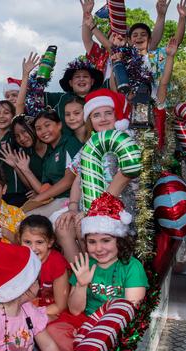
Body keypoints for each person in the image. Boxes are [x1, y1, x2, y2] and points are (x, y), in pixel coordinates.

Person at [47, 192, 148, 351]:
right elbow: (74, 310)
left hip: (113, 326)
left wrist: (92, 333)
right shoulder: (86, 263)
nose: (99, 249)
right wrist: (81, 284)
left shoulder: (132, 267)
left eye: (106, 240)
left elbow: (130, 313)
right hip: (83, 321)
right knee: (52, 330)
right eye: (92, 242)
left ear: (119, 240)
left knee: (101, 346)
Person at [54, 88, 135, 262]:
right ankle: (82, 276)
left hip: (117, 208)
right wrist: (73, 207)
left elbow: (126, 175)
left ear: (117, 116)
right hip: (89, 207)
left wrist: (94, 211)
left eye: (108, 113)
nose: (103, 118)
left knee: (85, 229)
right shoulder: (88, 146)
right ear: (90, 120)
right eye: (96, 115)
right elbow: (77, 178)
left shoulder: (125, 140)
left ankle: (98, 273)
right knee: (64, 226)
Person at [15, 110, 84, 218]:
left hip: (73, 200)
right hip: (55, 201)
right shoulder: (49, 156)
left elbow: (69, 179)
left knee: (24, 219)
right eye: (38, 129)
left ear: (59, 125)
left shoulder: (70, 143)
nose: (43, 131)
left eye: (47, 125)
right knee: (20, 217)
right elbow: (44, 189)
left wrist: (37, 200)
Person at [18, 215, 70, 318]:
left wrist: (30, 314)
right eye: (27, 242)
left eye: (39, 242)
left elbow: (61, 306)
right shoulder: (19, 258)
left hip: (52, 312)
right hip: (26, 308)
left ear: (50, 242)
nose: (33, 248)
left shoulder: (56, 263)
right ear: (19, 240)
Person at [0, 100, 28, 206]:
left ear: (13, 115)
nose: (1, 116)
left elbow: (20, 104)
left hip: (15, 192)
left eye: (6, 113)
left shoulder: (14, 135)